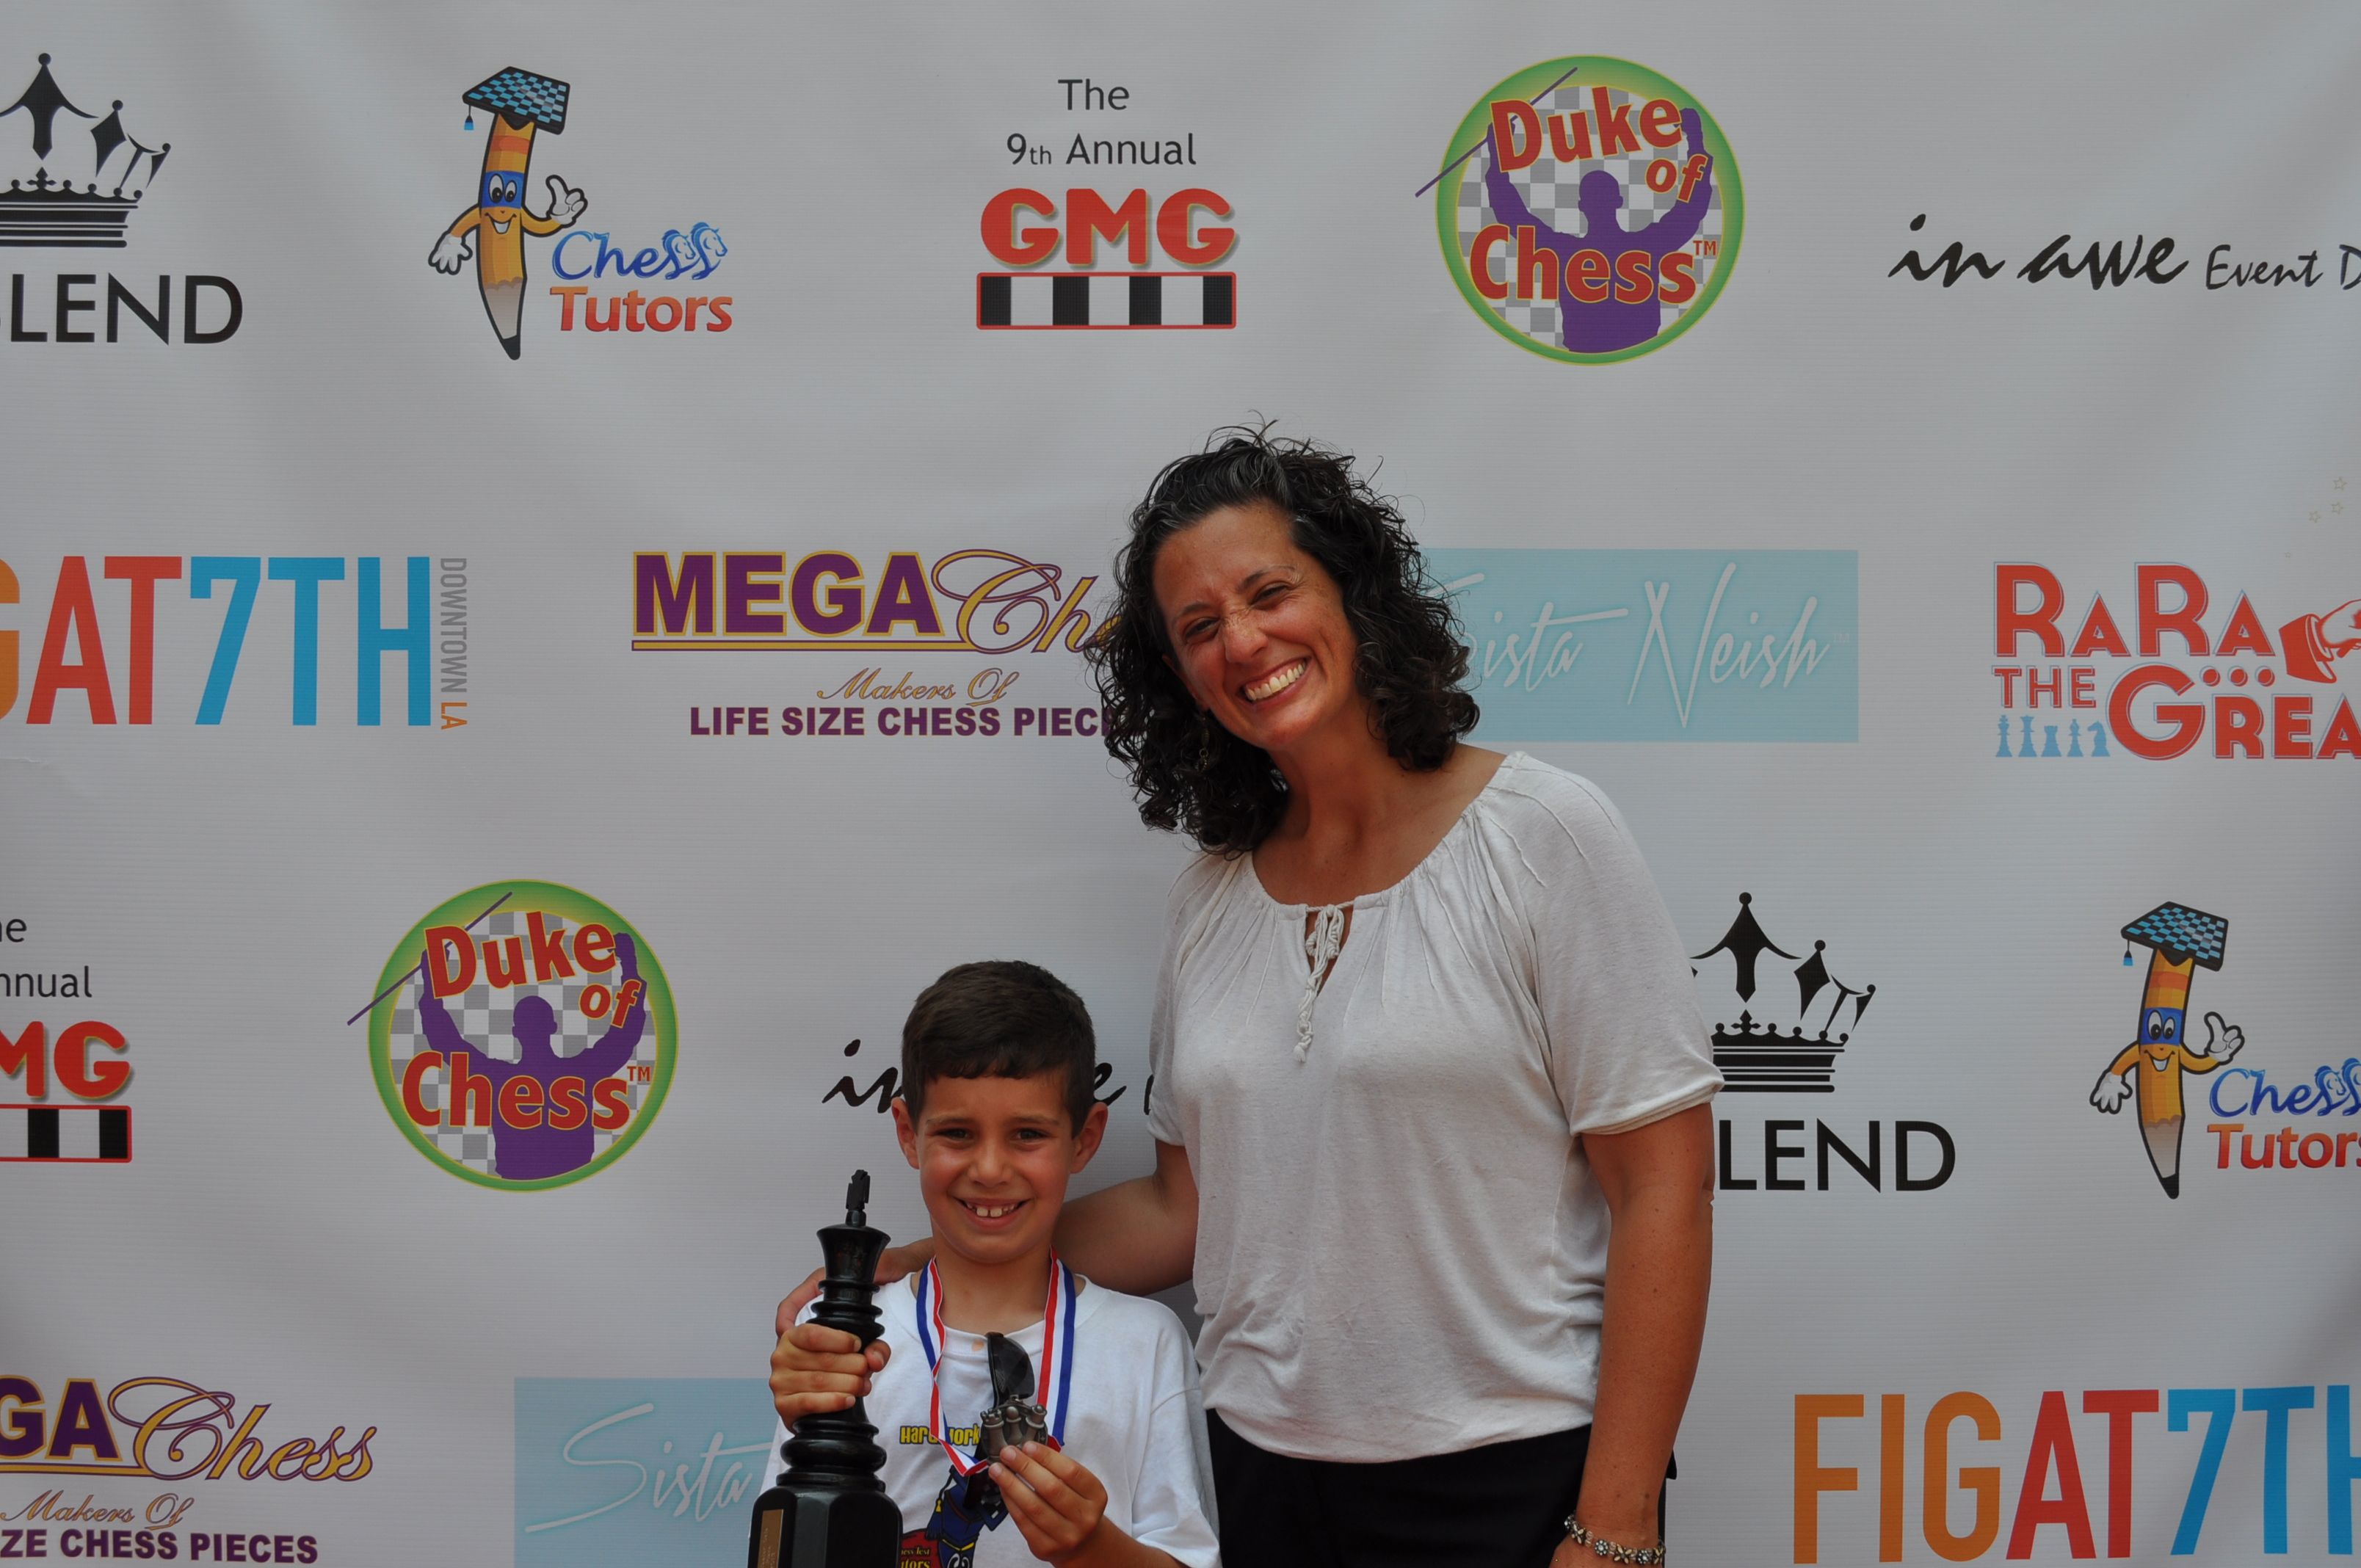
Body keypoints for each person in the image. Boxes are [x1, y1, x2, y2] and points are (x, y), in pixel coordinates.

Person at [786, 428, 1719, 1568]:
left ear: (1355, 594)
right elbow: (1184, 1212)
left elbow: (1663, 1186)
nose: (1242, 641)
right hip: (1261, 1481)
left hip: (1511, 1479)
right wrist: (925, 1268)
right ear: (1180, 680)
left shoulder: (1545, 835)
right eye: (1198, 628)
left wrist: (1615, 1524)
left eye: (1271, 592)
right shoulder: (1212, 898)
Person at [766, 960, 1220, 1568]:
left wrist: (1094, 1549)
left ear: (1085, 1138)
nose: (989, 1169)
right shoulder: (838, 1334)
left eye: (1027, 1134)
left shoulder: (1148, 1344)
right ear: (908, 1132)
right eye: (957, 1133)